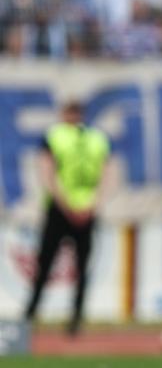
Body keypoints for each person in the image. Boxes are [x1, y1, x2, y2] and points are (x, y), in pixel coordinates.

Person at [23, 100, 112, 336]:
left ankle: (64, 318)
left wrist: (75, 205)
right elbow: (105, 175)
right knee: (56, 265)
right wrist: (91, 205)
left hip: (68, 209)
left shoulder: (57, 135)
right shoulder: (96, 138)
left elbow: (47, 172)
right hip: (79, 209)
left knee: (66, 266)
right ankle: (37, 316)